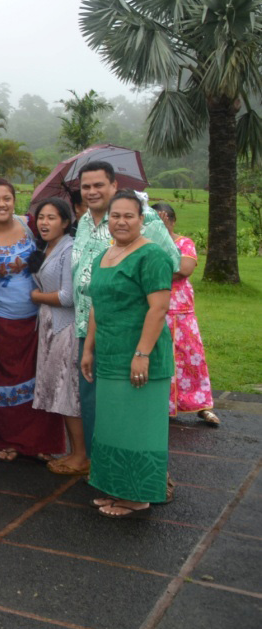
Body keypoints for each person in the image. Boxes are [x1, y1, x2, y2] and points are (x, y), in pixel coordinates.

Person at [71, 161, 178, 454]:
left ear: (114, 185)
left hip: (134, 335)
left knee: (135, 413)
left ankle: (151, 484)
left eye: (99, 185)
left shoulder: (147, 224)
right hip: (90, 328)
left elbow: (172, 266)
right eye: (86, 187)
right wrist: (90, 344)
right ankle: (103, 473)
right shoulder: (82, 222)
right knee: (98, 408)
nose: (92, 192)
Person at [83, 192, 174, 518]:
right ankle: (116, 489)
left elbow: (159, 308)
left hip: (141, 356)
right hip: (108, 353)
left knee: (137, 428)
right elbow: (97, 305)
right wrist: (89, 348)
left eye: (128, 216)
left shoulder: (152, 256)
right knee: (112, 427)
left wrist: (142, 353)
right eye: (115, 216)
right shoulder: (103, 257)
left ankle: (138, 496)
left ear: (142, 219)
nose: (121, 222)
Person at [0, 179, 64, 462]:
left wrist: (27, 261)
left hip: (39, 320)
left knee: (40, 380)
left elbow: (48, 252)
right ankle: (6, 440)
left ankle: (38, 443)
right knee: (4, 384)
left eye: (7, 198)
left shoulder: (29, 225)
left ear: (15, 200)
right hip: (2, 324)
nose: (2, 204)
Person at [29, 198, 87, 474]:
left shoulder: (69, 249)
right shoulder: (48, 248)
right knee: (61, 390)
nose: (44, 223)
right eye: (41, 217)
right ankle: (74, 452)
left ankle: (81, 456)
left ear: (66, 222)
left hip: (66, 326)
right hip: (50, 325)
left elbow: (67, 297)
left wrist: (36, 296)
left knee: (68, 390)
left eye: (52, 218)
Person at [152, 203, 219, 426]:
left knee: (191, 359)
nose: (162, 223)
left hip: (181, 313)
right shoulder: (147, 243)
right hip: (155, 311)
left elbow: (184, 270)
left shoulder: (184, 243)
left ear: (173, 219)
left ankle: (202, 405)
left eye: (166, 219)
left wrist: (155, 264)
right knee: (159, 361)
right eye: (156, 220)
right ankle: (162, 405)